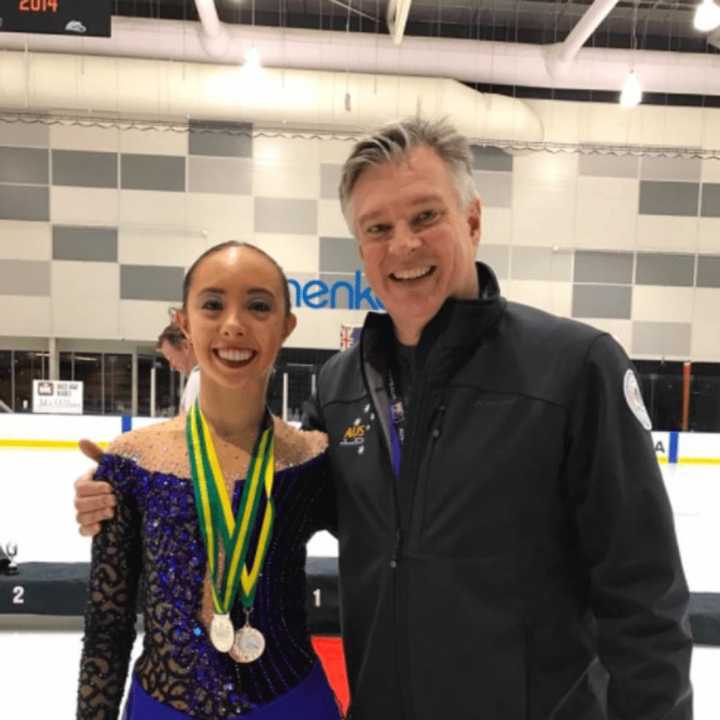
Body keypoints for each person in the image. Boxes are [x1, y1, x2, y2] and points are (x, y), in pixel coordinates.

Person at [75, 118, 692, 719]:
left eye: (426, 216)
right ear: (362, 250)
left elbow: (645, 596)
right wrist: (124, 491)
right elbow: (271, 497)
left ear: (472, 220)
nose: (403, 245)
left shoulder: (574, 368)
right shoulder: (343, 385)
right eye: (379, 228)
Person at [76, 241, 341, 719]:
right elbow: (107, 625)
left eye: (258, 306)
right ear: (185, 323)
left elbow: (392, 552)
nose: (234, 323)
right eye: (212, 304)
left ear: (286, 326)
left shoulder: (313, 460)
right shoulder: (132, 463)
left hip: (290, 702)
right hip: (165, 704)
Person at [157, 321, 201, 412]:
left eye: (171, 358)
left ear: (186, 346)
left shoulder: (198, 378)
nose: (172, 367)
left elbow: (189, 425)